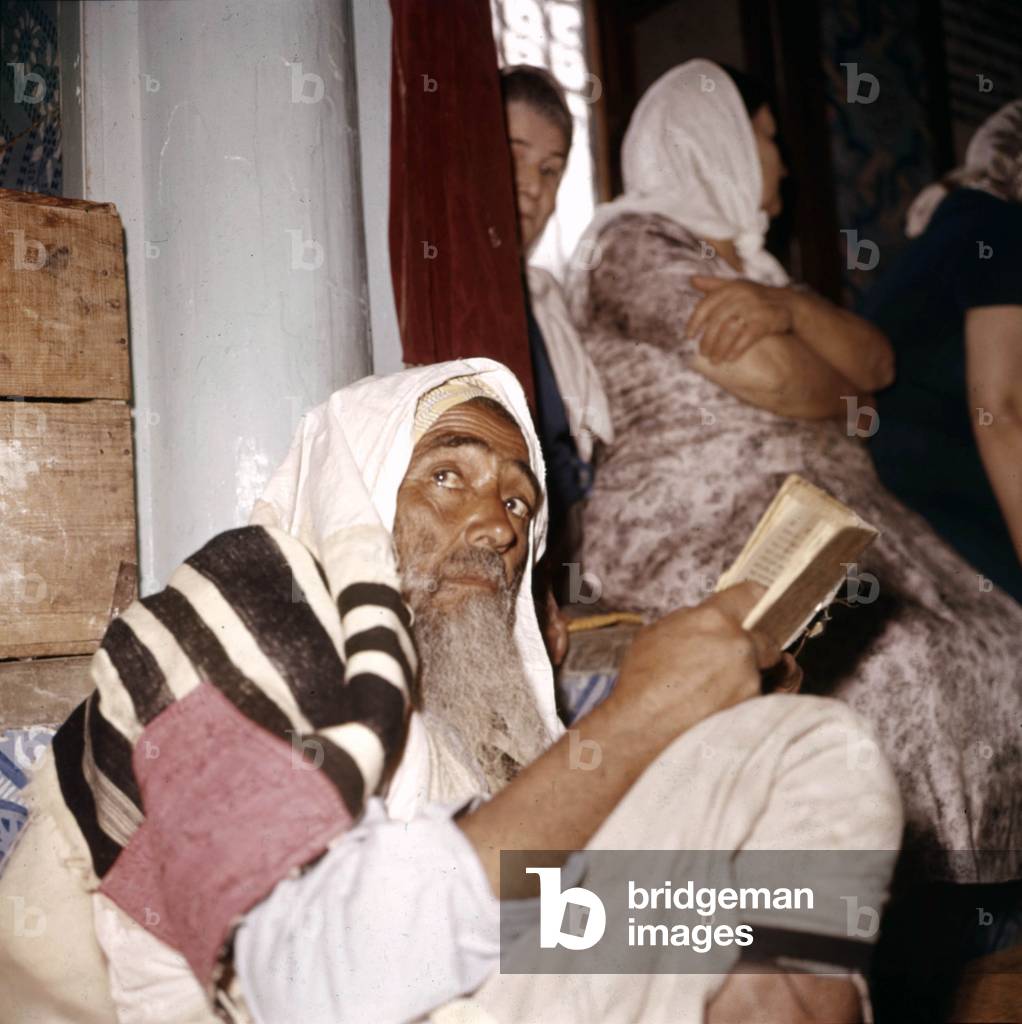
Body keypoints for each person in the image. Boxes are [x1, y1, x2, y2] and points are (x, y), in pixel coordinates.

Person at [0, 359, 901, 1024]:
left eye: (518, 504)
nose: (495, 525)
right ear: (353, 500)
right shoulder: (223, 637)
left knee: (798, 763)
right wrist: (643, 718)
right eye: (446, 475)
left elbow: (555, 926)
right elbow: (312, 990)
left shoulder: (475, 730)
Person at [564, 59, 1022, 886]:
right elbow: (769, 378)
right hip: (701, 519)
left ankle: (964, 916)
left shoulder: (757, 265)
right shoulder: (632, 241)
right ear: (717, 141)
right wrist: (830, 380)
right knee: (893, 656)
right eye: (768, 138)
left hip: (822, 515)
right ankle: (858, 914)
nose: (781, 163)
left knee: (1001, 642)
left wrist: (791, 310)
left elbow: (876, 366)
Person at [861, 99, 1022, 605]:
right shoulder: (1001, 230)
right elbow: (1000, 413)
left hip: (894, 490)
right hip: (935, 504)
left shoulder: (958, 226)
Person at [501, 64, 613, 592]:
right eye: (512, 154)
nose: (530, 188)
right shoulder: (458, 301)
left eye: (549, 171)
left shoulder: (546, 302)